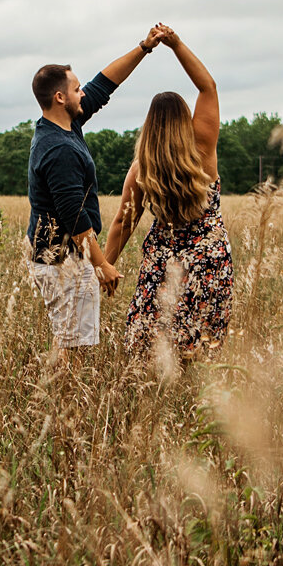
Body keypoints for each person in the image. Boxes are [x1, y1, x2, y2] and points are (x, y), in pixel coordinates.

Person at [25, 29, 164, 350]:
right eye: (76, 89)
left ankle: (64, 397)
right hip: (62, 261)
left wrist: (144, 48)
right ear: (60, 97)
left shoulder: (62, 125)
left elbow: (103, 85)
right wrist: (102, 265)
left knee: (72, 341)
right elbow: (73, 217)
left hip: (64, 257)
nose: (83, 93)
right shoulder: (59, 148)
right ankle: (63, 399)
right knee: (72, 346)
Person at [104, 24, 231, 359]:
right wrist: (176, 44)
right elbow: (208, 86)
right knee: (202, 344)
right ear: (185, 119)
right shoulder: (202, 148)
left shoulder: (142, 169)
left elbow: (123, 222)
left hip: (164, 263)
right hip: (210, 259)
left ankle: (156, 397)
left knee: (151, 342)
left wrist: (105, 268)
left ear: (150, 125)